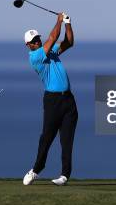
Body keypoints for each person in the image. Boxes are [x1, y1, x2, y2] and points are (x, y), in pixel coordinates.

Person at [22, 12, 78, 186]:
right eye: (34, 41)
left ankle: (64, 175)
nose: (37, 41)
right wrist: (58, 20)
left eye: (38, 38)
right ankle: (36, 170)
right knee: (47, 137)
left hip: (68, 100)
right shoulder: (36, 57)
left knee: (67, 140)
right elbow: (53, 37)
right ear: (28, 45)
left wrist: (68, 23)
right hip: (52, 101)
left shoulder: (51, 51)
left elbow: (69, 42)